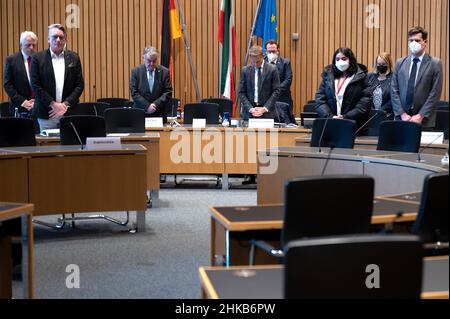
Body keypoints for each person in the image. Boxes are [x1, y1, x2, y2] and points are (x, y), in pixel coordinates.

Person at [31, 24, 84, 131]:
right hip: (47, 114)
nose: (58, 40)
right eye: (55, 37)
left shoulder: (74, 57)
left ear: (65, 40)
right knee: (47, 146)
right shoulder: (37, 58)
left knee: (70, 146)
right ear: (48, 40)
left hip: (68, 112)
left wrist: (64, 105)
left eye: (61, 37)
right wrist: (53, 104)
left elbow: (79, 85)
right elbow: (35, 85)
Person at [391, 26, 443, 128]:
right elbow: (394, 90)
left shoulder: (435, 63)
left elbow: (435, 93)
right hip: (402, 119)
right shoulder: (400, 63)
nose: (413, 43)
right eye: (411, 40)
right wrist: (402, 114)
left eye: (417, 40)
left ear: (425, 42)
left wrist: (421, 115)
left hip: (424, 120)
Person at [315, 47, 372, 133]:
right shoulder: (328, 77)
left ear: (350, 60)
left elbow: (365, 102)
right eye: (337, 59)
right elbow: (320, 100)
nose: (340, 62)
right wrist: (330, 117)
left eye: (344, 58)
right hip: (331, 124)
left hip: (354, 125)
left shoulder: (361, 77)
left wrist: (346, 117)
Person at [130, 46, 172, 122]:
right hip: (141, 113)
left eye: (154, 61)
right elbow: (134, 93)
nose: (152, 64)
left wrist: (155, 104)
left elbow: (168, 92)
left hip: (159, 113)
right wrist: (147, 106)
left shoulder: (164, 72)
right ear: (143, 58)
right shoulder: (136, 72)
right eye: (149, 61)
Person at [239, 45, 280, 120]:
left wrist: (264, 108)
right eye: (252, 62)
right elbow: (241, 92)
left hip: (267, 113)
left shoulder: (272, 69)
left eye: (257, 61)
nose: (255, 64)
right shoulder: (245, 70)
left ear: (263, 56)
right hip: (249, 114)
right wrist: (250, 108)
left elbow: (276, 91)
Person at [3, 31, 38, 119]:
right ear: (21, 45)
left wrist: (37, 101)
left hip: (37, 107)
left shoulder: (39, 59)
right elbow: (7, 84)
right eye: (28, 45)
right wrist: (23, 102)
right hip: (19, 107)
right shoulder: (11, 60)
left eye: (34, 45)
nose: (31, 48)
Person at [264, 40, 295, 123]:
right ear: (266, 51)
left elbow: (288, 80)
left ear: (278, 51)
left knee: (285, 123)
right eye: (269, 51)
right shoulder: (262, 63)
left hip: (283, 98)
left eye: (273, 51)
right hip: (266, 100)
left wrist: (276, 92)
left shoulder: (285, 63)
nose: (271, 53)